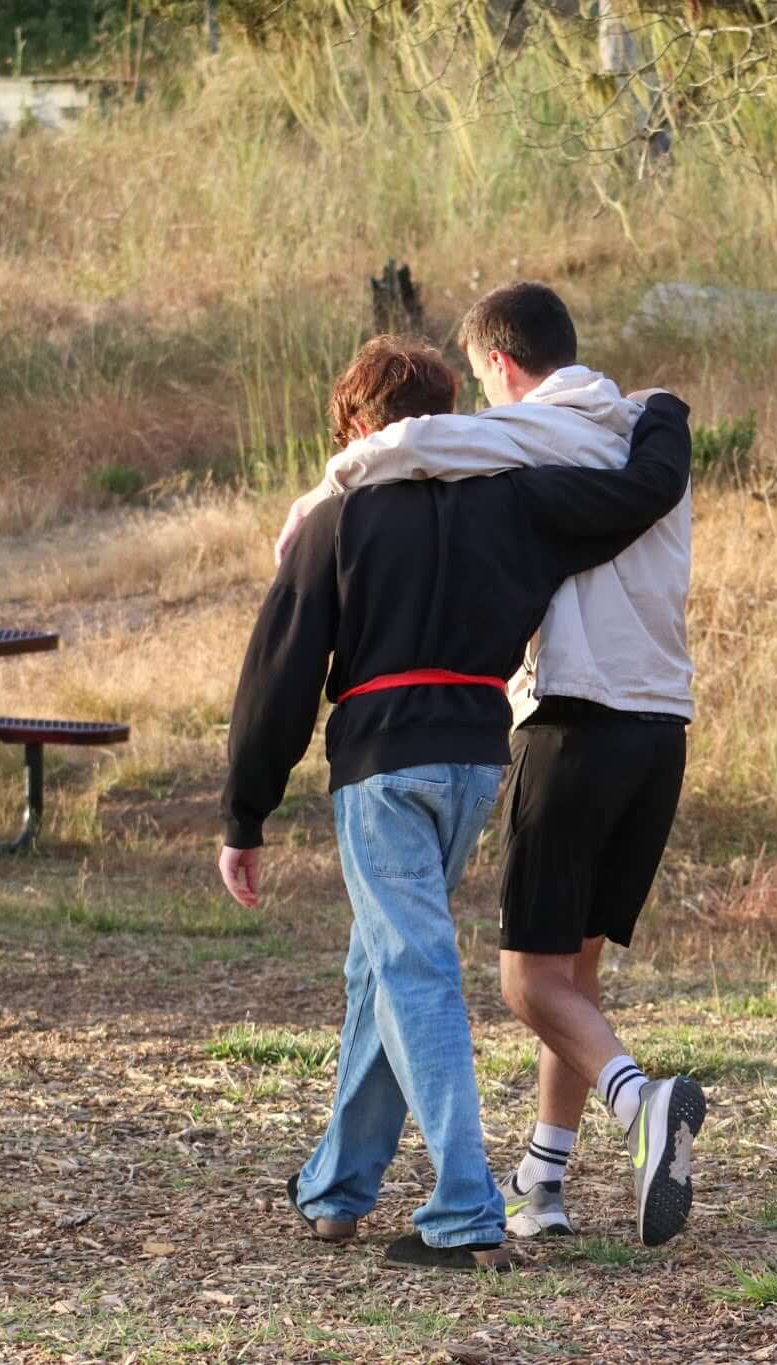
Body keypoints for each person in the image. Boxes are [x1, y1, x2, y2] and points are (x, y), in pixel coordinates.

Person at [220, 335, 692, 1271]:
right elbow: (628, 506)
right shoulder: (514, 501)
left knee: (413, 968)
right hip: (478, 761)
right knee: (382, 964)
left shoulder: (338, 517)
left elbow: (278, 672)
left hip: (382, 757)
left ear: (358, 425)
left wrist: (245, 811)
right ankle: (338, 1186)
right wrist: (663, 420)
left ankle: (465, 1207)